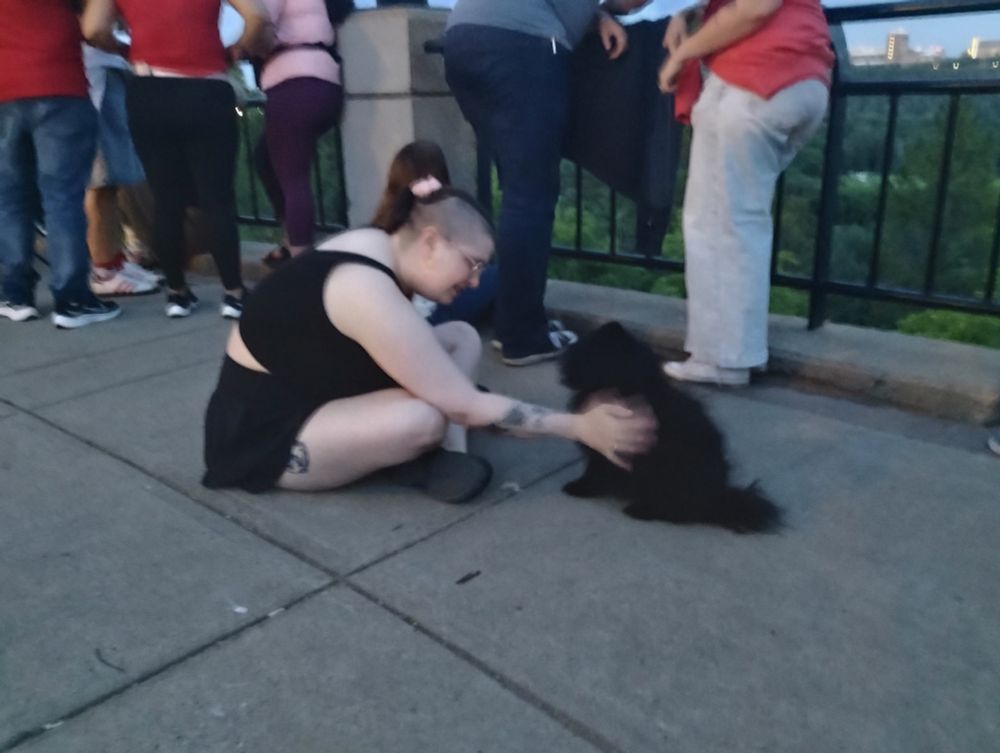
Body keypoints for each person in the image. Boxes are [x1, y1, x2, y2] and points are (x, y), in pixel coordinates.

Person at [202, 181, 656, 501]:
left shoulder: (377, 243)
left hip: (319, 390)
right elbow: (463, 405)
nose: (476, 282)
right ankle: (427, 449)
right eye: (472, 264)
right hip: (264, 435)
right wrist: (580, 427)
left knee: (459, 336)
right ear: (432, 241)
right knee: (422, 418)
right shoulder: (364, 289)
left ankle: (446, 460)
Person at [443, 0, 651, 366]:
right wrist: (618, 10)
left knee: (516, 189)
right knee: (531, 195)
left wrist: (596, 15)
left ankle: (513, 320)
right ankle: (523, 337)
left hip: (463, 39)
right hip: (522, 47)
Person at [658, 0, 833, 386]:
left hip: (753, 83)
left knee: (715, 223)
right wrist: (681, 13)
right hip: (804, 81)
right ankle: (741, 350)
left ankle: (724, 360)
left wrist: (683, 53)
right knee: (743, 220)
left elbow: (755, 6)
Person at [82, 0, 272, 320]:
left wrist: (125, 49)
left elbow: (93, 29)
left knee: (167, 200)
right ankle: (234, 294)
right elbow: (258, 16)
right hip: (207, 90)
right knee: (217, 199)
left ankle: (177, 293)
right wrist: (235, 49)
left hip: (150, 90)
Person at [0, 0, 121, 329]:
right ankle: (71, 299)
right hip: (59, 86)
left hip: (4, 93)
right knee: (62, 197)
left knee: (10, 198)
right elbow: (95, 27)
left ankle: (15, 294)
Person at [253, 0, 345, 268]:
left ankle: (301, 265)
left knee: (294, 180)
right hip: (325, 83)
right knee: (265, 158)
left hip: (292, 85)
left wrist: (239, 48)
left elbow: (259, 24)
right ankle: (290, 240)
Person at [371, 140, 498, 327]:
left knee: (464, 335)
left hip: (417, 313)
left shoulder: (384, 223)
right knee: (499, 276)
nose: (474, 281)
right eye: (473, 264)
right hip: (432, 315)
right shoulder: (438, 216)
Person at [83, 44, 160, 297]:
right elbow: (95, 31)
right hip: (95, 80)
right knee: (100, 185)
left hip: (100, 73)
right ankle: (104, 269)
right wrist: (127, 48)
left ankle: (114, 261)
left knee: (109, 185)